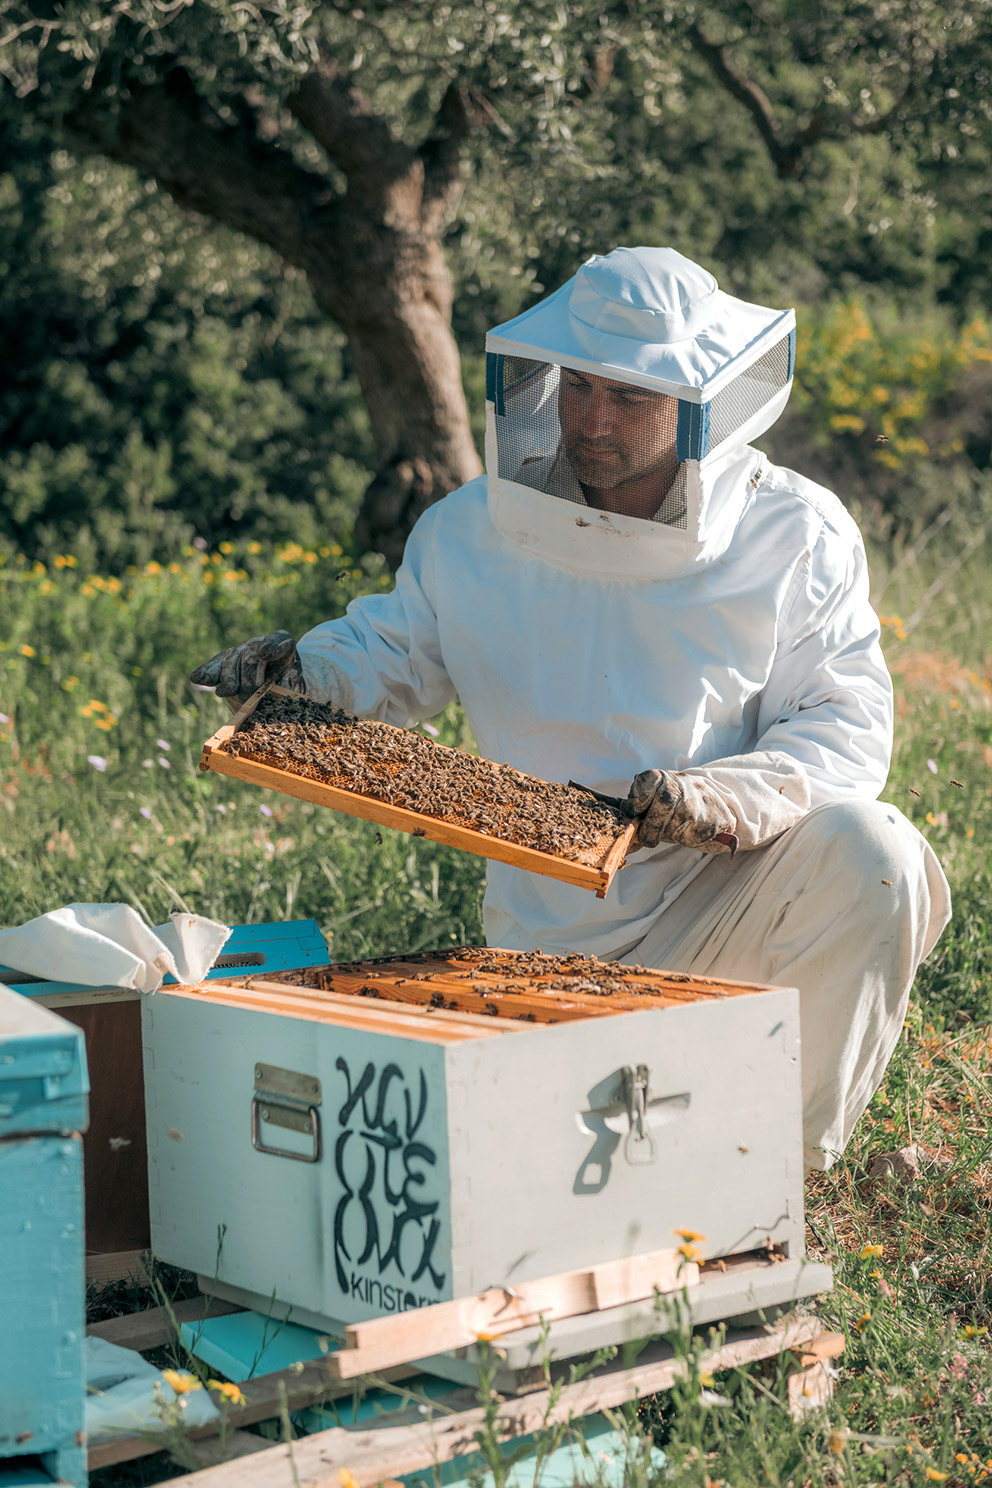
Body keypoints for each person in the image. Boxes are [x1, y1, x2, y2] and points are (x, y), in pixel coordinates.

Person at [191, 246, 951, 1171]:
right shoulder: (471, 530)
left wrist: (727, 799)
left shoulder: (791, 532)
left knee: (879, 856)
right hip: (543, 946)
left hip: (721, 915)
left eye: (629, 398)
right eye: (578, 386)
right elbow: (395, 648)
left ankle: (775, 1166)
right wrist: (305, 668)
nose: (592, 420)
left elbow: (846, 720)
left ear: (700, 403)